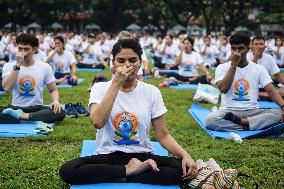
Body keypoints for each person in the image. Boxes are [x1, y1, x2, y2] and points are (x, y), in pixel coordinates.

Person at [59, 39, 197, 185]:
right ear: (113, 64)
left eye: (132, 60)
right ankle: (130, 171)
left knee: (182, 169)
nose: (127, 65)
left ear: (140, 63)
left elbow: (163, 135)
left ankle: (123, 173)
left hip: (142, 155)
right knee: (69, 170)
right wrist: (116, 83)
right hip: (109, 155)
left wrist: (185, 155)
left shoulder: (151, 91)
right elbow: (97, 122)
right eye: (121, 60)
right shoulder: (100, 88)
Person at [205, 34, 284, 131]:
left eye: (241, 48)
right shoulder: (222, 67)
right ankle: (250, 124)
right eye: (234, 49)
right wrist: (233, 65)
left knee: (278, 114)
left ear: (248, 48)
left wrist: (283, 106)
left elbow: (271, 90)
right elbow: (223, 89)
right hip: (229, 111)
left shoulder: (258, 68)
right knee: (210, 120)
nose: (237, 52)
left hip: (252, 111)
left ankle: (245, 122)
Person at [0, 33, 65, 124]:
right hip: (15, 107)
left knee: (60, 112)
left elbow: (53, 89)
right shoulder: (9, 66)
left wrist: (55, 101)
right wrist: (18, 65)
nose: (22, 52)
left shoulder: (44, 67)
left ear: (34, 49)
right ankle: (28, 118)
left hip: (36, 108)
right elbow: (7, 88)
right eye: (20, 48)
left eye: (26, 49)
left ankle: (23, 117)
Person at [247, 36, 284, 100]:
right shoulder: (246, 57)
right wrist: (256, 56)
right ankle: (261, 95)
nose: (258, 46)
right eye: (256, 44)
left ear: (264, 47)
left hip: (267, 87)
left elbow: (278, 76)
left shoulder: (269, 57)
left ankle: (259, 95)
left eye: (261, 44)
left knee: (282, 92)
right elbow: (250, 75)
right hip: (251, 87)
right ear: (252, 46)